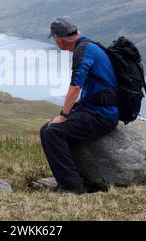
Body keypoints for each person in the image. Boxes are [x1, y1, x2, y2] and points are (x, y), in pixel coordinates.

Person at [40, 17, 119, 194]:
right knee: (46, 129)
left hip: (102, 115)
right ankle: (70, 180)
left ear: (59, 39)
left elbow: (76, 86)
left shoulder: (83, 51)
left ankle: (72, 188)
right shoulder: (88, 46)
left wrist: (64, 115)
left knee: (54, 132)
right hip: (96, 109)